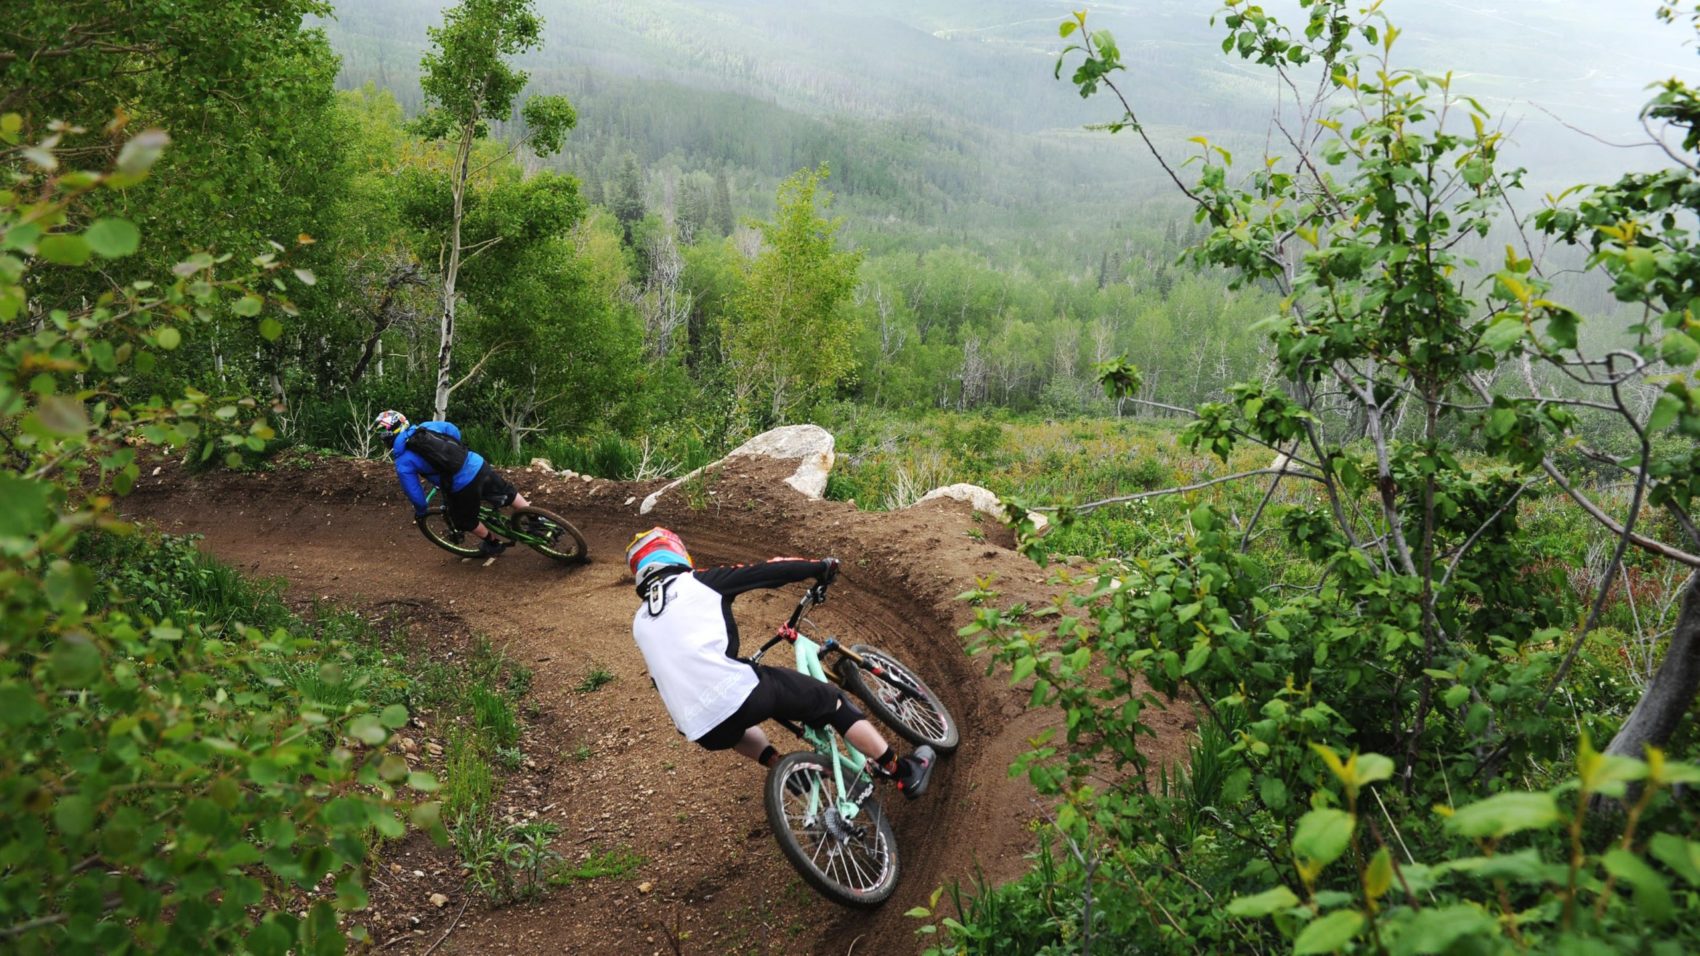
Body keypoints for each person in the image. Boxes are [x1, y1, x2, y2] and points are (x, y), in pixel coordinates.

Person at [625, 527, 936, 798]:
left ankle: (783, 767)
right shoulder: (699, 582)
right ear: (675, 553)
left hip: (697, 727)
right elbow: (766, 572)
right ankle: (902, 771)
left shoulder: (640, 623)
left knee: (728, 725)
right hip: (742, 694)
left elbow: (667, 674)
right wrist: (819, 567)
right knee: (832, 702)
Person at [374, 410, 527, 557]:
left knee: (465, 520)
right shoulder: (426, 427)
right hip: (477, 463)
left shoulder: (403, 462)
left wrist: (422, 511)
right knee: (508, 493)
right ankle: (537, 517)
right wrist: (452, 456)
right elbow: (452, 430)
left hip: (462, 485)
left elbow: (414, 493)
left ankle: (493, 544)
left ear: (388, 438)